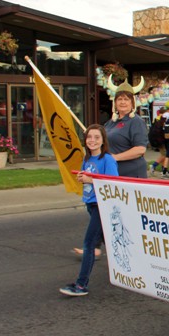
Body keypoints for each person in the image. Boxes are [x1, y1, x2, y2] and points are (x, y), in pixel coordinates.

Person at [74, 77, 147, 258]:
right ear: (115, 102)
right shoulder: (110, 123)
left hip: (130, 176)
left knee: (122, 216)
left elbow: (140, 149)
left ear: (132, 102)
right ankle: (99, 247)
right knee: (106, 212)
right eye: (119, 99)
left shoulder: (136, 122)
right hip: (111, 176)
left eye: (126, 99)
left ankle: (107, 248)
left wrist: (114, 157)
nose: (122, 102)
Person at [60, 124, 118, 297]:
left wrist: (91, 180)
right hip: (91, 204)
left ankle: (81, 284)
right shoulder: (87, 159)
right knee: (113, 242)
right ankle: (138, 272)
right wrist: (83, 178)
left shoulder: (108, 159)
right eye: (89, 137)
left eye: (96, 137)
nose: (92, 141)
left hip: (102, 206)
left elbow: (114, 183)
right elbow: (89, 178)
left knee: (89, 244)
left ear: (103, 140)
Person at [148, 101, 169, 178]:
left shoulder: (157, 118)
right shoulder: (163, 119)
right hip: (161, 140)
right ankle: (154, 166)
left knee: (165, 154)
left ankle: (163, 169)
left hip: (158, 140)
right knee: (166, 154)